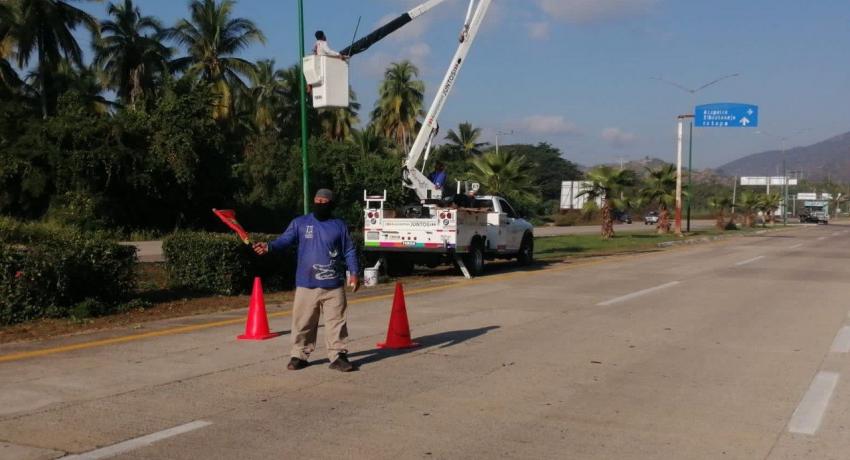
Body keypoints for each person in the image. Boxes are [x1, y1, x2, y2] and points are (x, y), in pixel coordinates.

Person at [253, 189, 360, 372]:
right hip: (306, 284)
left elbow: (349, 250)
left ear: (331, 204)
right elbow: (284, 240)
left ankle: (338, 356)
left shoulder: (339, 225)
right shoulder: (300, 223)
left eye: (324, 201)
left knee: (337, 322)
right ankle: (299, 356)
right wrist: (269, 246)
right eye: (317, 200)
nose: (320, 203)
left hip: (333, 285)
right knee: (303, 322)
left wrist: (354, 272)